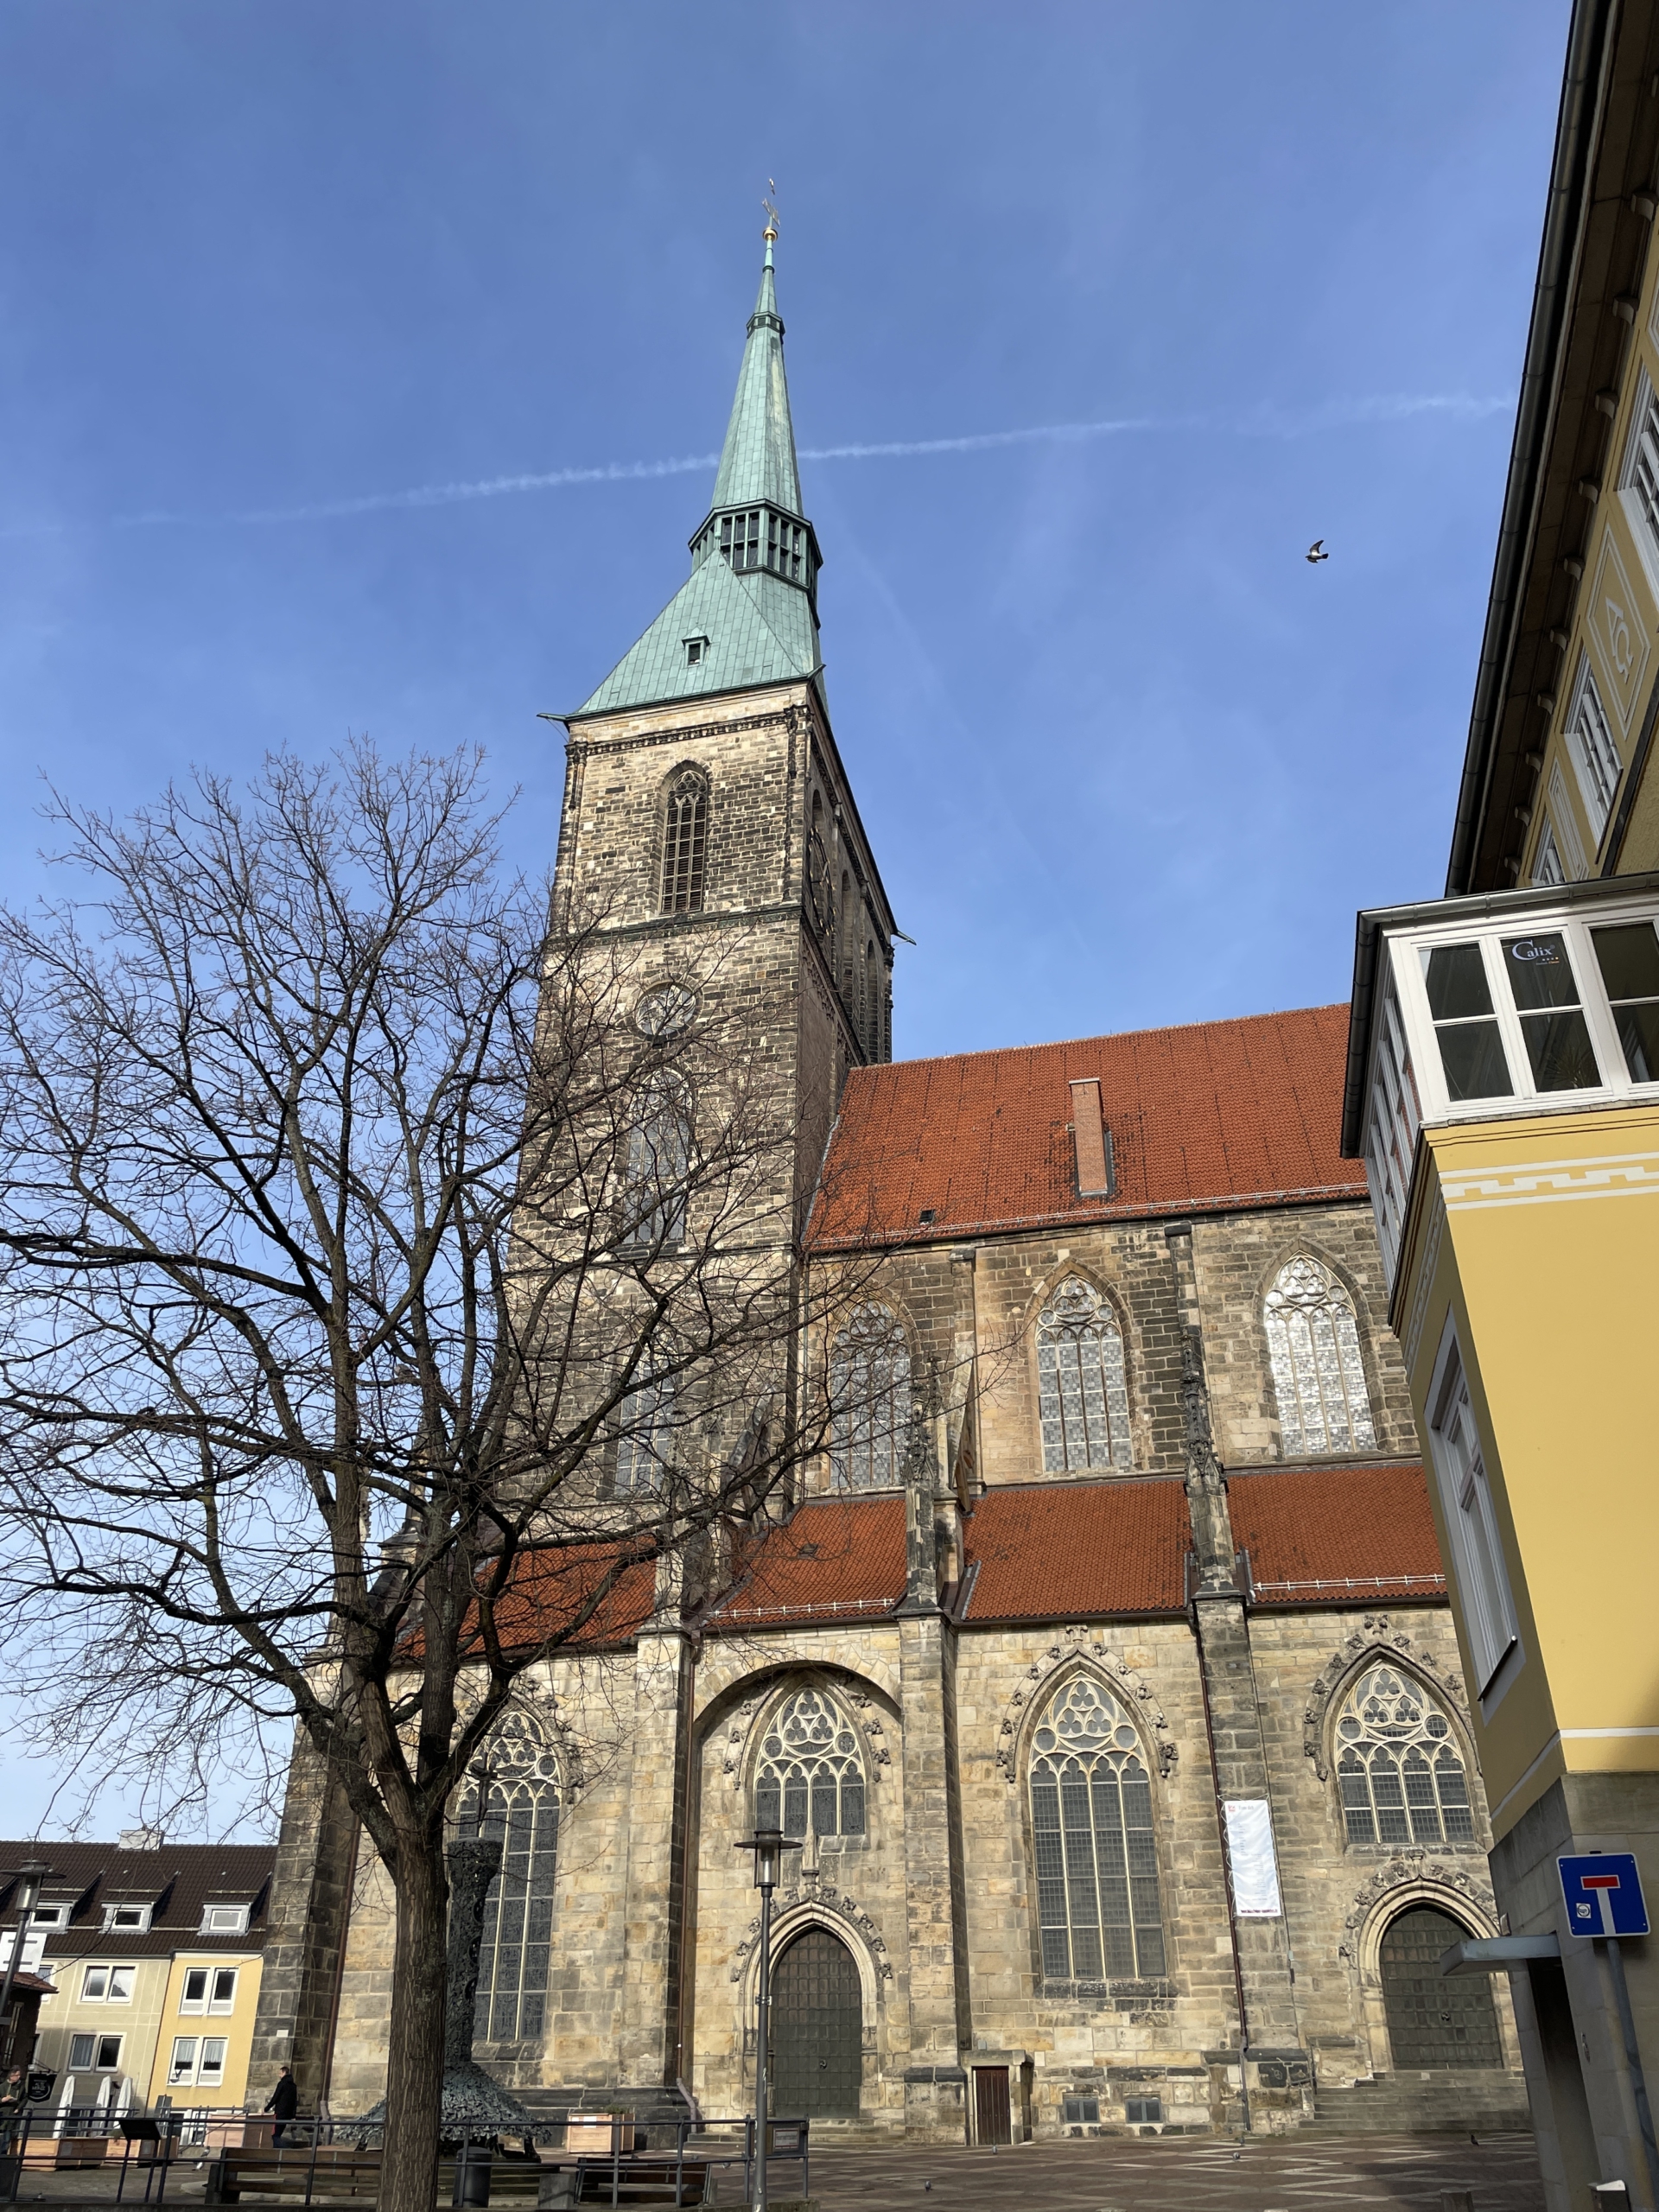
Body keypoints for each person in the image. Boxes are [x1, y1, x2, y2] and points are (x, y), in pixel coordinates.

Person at [264, 2065, 298, 2146]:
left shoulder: (282, 2084)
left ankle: (282, 2149)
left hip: (280, 2112)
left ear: (284, 2073)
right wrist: (293, 2115)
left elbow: (275, 2097)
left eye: (280, 2073)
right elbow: (295, 2101)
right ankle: (279, 2149)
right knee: (279, 2133)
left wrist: (266, 2108)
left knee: (275, 2134)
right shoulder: (293, 2086)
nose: (279, 2075)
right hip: (288, 2114)